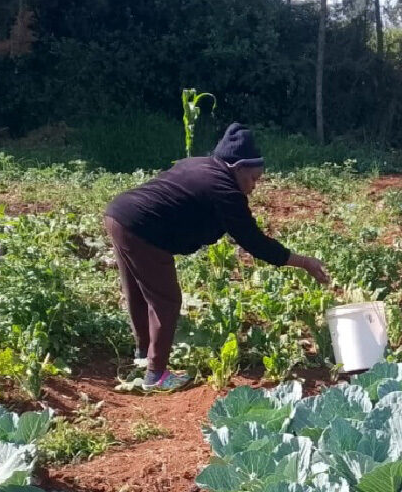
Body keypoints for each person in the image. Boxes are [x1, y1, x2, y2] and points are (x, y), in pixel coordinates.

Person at [104, 122, 329, 392]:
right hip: (143, 229)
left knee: (139, 291)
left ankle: (143, 354)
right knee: (166, 300)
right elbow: (255, 242)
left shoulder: (200, 165)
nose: (254, 187)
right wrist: (304, 262)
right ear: (237, 167)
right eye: (253, 179)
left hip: (118, 215)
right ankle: (156, 375)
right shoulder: (225, 191)